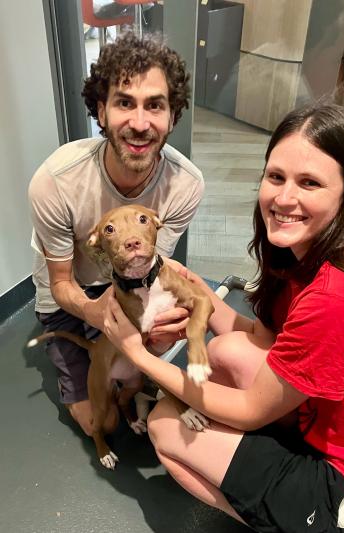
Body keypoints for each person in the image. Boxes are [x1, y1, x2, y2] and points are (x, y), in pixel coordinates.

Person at [103, 103, 344, 532]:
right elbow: (263, 336)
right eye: (276, 177)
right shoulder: (298, 258)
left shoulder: (338, 296)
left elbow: (249, 410)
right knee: (227, 349)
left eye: (310, 183)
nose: (283, 199)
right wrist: (202, 296)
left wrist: (138, 355)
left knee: (164, 426)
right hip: (327, 420)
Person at [28, 32, 204, 437]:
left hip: (125, 287)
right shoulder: (55, 181)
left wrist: (166, 321)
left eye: (155, 106)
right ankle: (80, 371)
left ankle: (140, 387)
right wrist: (93, 312)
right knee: (97, 424)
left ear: (173, 117)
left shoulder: (186, 185)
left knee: (155, 343)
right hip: (68, 296)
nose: (140, 123)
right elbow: (59, 282)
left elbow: (150, 270)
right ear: (101, 112)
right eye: (125, 102)